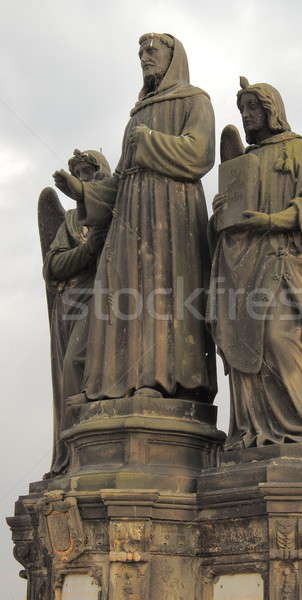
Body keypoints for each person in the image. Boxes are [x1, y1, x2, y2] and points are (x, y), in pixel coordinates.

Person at [53, 34, 217, 402]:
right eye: (140, 52)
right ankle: (115, 385)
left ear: (173, 58)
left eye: (151, 51)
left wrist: (148, 141)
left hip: (172, 215)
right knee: (123, 296)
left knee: (163, 297)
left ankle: (160, 381)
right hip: (131, 215)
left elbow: (200, 153)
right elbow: (121, 177)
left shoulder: (195, 100)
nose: (144, 58)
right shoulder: (138, 114)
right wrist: (82, 192)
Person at [208, 80, 302, 450]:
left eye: (253, 109)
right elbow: (222, 224)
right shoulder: (244, 159)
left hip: (285, 259)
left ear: (272, 110)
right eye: (242, 110)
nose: (246, 116)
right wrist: (221, 215)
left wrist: (272, 221)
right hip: (240, 264)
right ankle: (252, 430)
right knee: (244, 343)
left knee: (281, 339)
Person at [43, 149, 111, 475]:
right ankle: (71, 453)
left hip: (114, 305)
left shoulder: (117, 213)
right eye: (79, 174)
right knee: (72, 371)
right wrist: (86, 251)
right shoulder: (71, 220)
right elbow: (53, 266)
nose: (84, 180)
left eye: (90, 173)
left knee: (93, 373)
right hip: (72, 305)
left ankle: (97, 445)